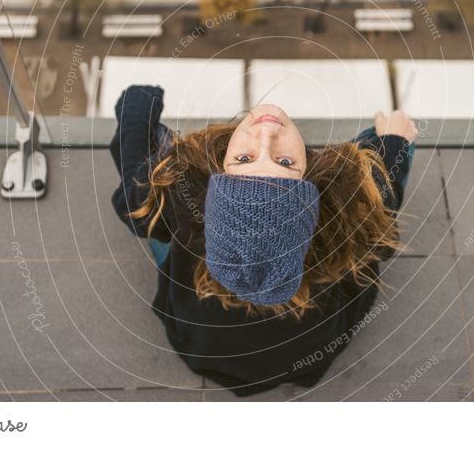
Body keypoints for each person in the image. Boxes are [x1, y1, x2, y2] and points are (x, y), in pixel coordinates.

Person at [110, 85, 417, 397]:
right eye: (284, 163)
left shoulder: (183, 200)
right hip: (304, 354)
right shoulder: (343, 219)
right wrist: (394, 143)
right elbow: (383, 208)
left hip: (202, 342)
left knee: (156, 195)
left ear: (222, 171)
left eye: (245, 159)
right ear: (311, 182)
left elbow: (133, 200)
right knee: (372, 172)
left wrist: (137, 108)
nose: (266, 133)